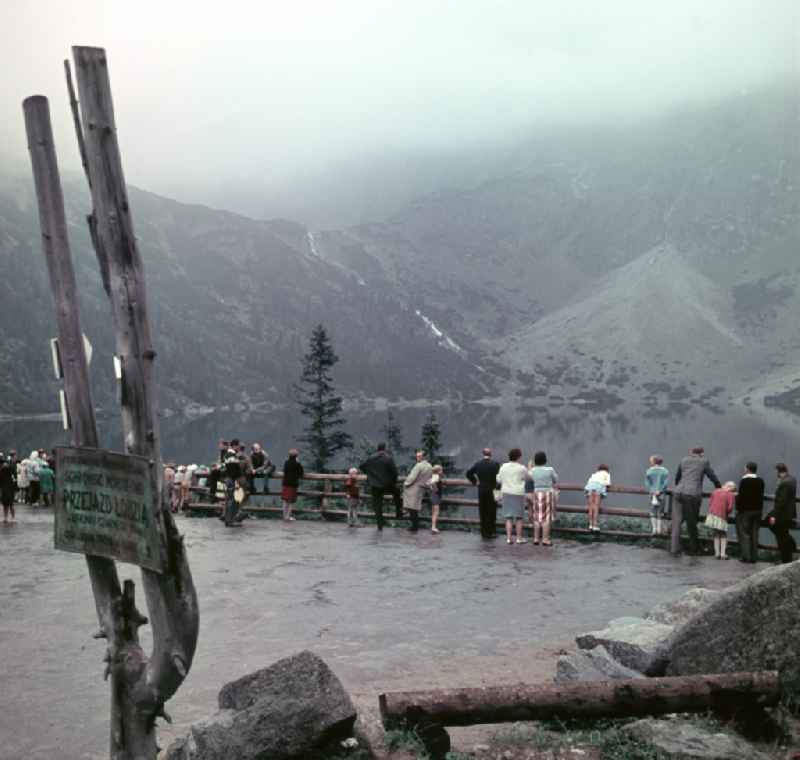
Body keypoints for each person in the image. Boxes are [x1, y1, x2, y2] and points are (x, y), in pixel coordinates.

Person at [671, 446, 721, 556]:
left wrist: (677, 486)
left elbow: (677, 476)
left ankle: (674, 549)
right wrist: (719, 487)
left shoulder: (683, 460)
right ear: (702, 453)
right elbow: (711, 476)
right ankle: (694, 549)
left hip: (678, 492)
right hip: (692, 494)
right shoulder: (704, 461)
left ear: (691, 452)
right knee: (691, 522)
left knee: (676, 522)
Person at [359, 442, 400, 531]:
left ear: (377, 449)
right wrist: (392, 482)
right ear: (384, 449)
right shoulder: (388, 458)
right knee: (397, 493)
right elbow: (395, 473)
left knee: (377, 505)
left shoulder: (371, 458)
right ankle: (398, 513)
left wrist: (370, 475)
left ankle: (380, 525)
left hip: (375, 485)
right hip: (387, 485)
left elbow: (361, 466)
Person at [466, 448, 501, 539]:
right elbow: (499, 478)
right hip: (492, 490)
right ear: (491, 454)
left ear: (483, 454)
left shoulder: (478, 464)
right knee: (492, 511)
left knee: (483, 511)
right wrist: (498, 488)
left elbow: (468, 473)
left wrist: (475, 482)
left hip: (481, 489)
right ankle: (491, 532)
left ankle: (483, 532)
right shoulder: (495, 464)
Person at [497, 448, 529, 545]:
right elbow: (528, 478)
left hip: (506, 493)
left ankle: (508, 538)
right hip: (518, 493)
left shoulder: (503, 467)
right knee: (519, 517)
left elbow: (498, 479)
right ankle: (519, 538)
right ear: (519, 457)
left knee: (508, 517)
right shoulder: (522, 468)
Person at [735, 461, 765, 564]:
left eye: (745, 468)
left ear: (748, 469)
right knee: (755, 533)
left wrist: (738, 508)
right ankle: (754, 557)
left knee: (744, 534)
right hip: (758, 511)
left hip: (745, 511)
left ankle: (745, 556)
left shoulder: (744, 481)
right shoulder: (760, 481)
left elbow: (741, 496)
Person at [767, 463, 797, 564]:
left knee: (781, 534)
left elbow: (781, 501)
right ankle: (787, 558)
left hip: (782, 514)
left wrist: (774, 516)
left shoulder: (784, 483)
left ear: (778, 471)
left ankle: (790, 545)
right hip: (789, 513)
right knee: (783, 534)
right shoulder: (792, 479)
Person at [528, 451, 558, 546]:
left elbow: (529, 479)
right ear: (545, 460)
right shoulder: (550, 469)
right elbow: (555, 479)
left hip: (536, 493)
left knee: (536, 517)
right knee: (546, 518)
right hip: (547, 493)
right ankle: (545, 539)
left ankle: (536, 538)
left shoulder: (532, 471)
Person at [403, 451, 433, 533]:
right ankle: (415, 526)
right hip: (422, 488)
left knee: (412, 508)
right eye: (417, 456)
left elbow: (412, 477)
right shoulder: (429, 466)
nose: (417, 458)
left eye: (419, 456)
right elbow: (429, 478)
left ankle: (414, 526)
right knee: (415, 508)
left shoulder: (418, 466)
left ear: (423, 457)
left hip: (414, 488)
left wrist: (406, 483)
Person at [705, 481, 736, 559]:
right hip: (722, 516)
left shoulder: (715, 491)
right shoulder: (730, 495)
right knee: (723, 534)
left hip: (712, 515)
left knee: (716, 533)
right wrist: (726, 513)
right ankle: (722, 554)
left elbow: (710, 503)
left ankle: (717, 553)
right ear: (731, 488)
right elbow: (730, 508)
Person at [645, 456, 670, 536]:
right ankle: (659, 530)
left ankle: (654, 529)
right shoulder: (665, 471)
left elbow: (647, 483)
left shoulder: (649, 471)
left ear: (653, 462)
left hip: (652, 494)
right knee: (660, 512)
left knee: (652, 512)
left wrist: (652, 490)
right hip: (661, 494)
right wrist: (660, 490)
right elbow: (665, 483)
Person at [584, 464, 611, 532]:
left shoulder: (595, 474)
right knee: (596, 506)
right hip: (598, 486)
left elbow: (589, 481)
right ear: (606, 470)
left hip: (590, 486)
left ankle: (590, 524)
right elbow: (608, 483)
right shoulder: (606, 474)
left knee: (591, 506)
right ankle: (595, 525)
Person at [281, 449, 304, 521]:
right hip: (293, 484)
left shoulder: (286, 462)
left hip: (285, 483)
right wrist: (299, 463)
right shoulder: (297, 464)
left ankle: (284, 516)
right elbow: (301, 473)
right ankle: (288, 516)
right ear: (296, 456)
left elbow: (284, 471)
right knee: (291, 501)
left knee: (285, 500)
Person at [0, 455, 15, 523]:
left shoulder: (2, 473)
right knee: (10, 505)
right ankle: (12, 517)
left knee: (6, 505)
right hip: (9, 490)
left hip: (5, 490)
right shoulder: (10, 475)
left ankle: (6, 518)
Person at [429, 464, 444, 534]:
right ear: (438, 471)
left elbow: (429, 483)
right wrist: (435, 489)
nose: (442, 471)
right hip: (436, 496)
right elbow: (432, 483)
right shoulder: (437, 477)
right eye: (441, 470)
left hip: (433, 495)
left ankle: (433, 526)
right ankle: (433, 527)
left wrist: (432, 488)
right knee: (436, 513)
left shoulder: (433, 476)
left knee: (433, 512)